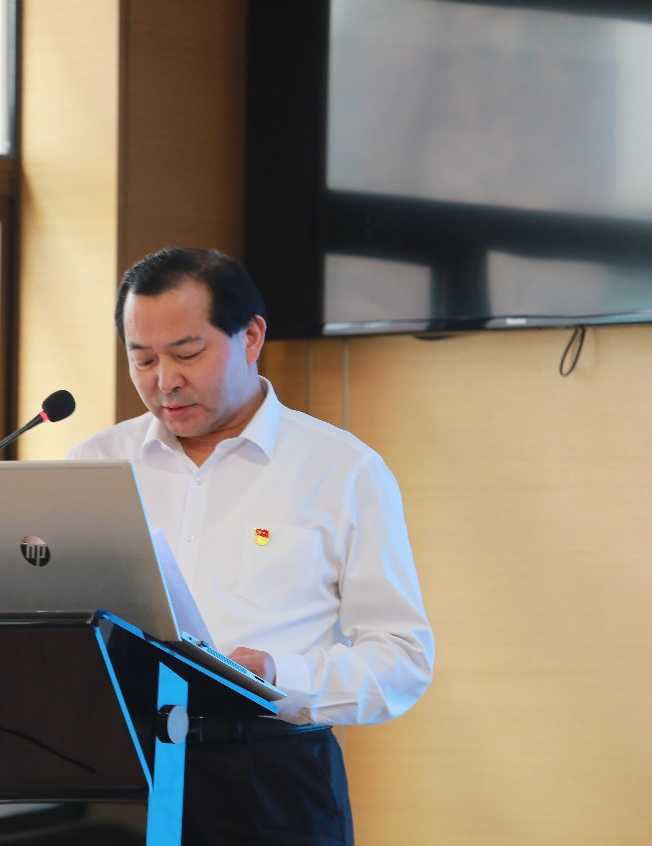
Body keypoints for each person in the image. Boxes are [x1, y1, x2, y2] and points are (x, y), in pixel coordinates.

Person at [66, 247, 434, 845]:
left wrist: (279, 675)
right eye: (143, 359)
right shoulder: (95, 464)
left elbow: (402, 660)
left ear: (251, 337)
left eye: (188, 353)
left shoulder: (343, 470)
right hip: (116, 768)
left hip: (270, 776)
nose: (165, 381)